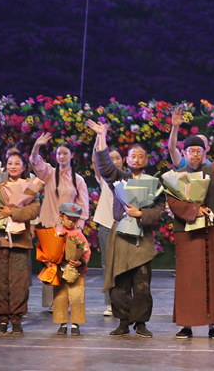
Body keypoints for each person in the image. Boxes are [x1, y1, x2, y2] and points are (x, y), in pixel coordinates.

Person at [166, 112, 214, 339]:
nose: (195, 154)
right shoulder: (177, 175)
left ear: (205, 152)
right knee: (189, 279)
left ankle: (213, 325)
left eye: (199, 151)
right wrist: (194, 210)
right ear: (185, 154)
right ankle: (187, 325)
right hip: (188, 233)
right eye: (191, 151)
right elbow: (173, 201)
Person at [88, 119, 167, 338]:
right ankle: (123, 321)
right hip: (121, 236)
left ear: (146, 159)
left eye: (141, 156)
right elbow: (105, 166)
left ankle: (141, 323)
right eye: (133, 156)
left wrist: (141, 214)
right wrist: (101, 137)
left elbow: (159, 210)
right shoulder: (119, 178)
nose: (136, 159)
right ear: (126, 159)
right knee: (119, 281)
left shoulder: (154, 182)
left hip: (142, 238)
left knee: (142, 284)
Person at [0, 132, 41, 334]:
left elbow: (34, 210)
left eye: (17, 163)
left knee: (19, 282)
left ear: (23, 167)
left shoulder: (30, 187)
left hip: (20, 241)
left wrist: (12, 212)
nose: (13, 166)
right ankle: (2, 319)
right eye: (10, 163)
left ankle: (17, 319)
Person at [30, 133, 90, 311]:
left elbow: (83, 207)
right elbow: (35, 162)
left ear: (72, 155)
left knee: (68, 265)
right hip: (50, 225)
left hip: (69, 228)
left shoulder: (78, 180)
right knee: (50, 264)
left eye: (65, 153)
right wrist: (37, 146)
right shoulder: (49, 173)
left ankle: (67, 301)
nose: (61, 156)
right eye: (58, 153)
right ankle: (52, 302)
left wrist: (77, 229)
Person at [91, 136, 122, 317]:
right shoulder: (104, 177)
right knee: (107, 264)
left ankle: (124, 301)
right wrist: (99, 138)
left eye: (117, 158)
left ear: (123, 160)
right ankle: (110, 303)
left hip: (124, 225)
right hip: (106, 224)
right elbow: (96, 160)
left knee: (124, 264)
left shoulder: (128, 178)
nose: (114, 161)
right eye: (111, 158)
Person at [51, 203, 91, 336]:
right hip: (60, 271)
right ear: (61, 216)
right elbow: (50, 250)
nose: (71, 222)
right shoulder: (57, 233)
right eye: (69, 219)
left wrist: (80, 262)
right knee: (60, 297)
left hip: (76, 272)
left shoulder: (79, 234)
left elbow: (86, 251)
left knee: (77, 297)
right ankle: (62, 323)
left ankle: (75, 324)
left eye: (74, 220)